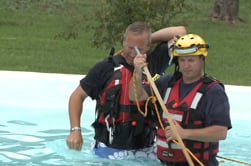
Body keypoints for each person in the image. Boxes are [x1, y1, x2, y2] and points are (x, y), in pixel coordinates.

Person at [66, 22, 187, 159]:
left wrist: (148, 38)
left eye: (139, 49)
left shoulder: (155, 62)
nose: (132, 53)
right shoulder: (106, 67)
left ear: (148, 47)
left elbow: (181, 32)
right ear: (123, 42)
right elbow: (77, 96)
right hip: (108, 150)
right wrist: (75, 130)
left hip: (146, 150)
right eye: (129, 47)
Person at [130, 34, 232, 165]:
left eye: (191, 60)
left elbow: (220, 132)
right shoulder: (167, 83)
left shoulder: (213, 92)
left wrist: (184, 133)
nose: (186, 65)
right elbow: (135, 97)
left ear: (202, 59)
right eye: (182, 60)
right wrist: (137, 72)